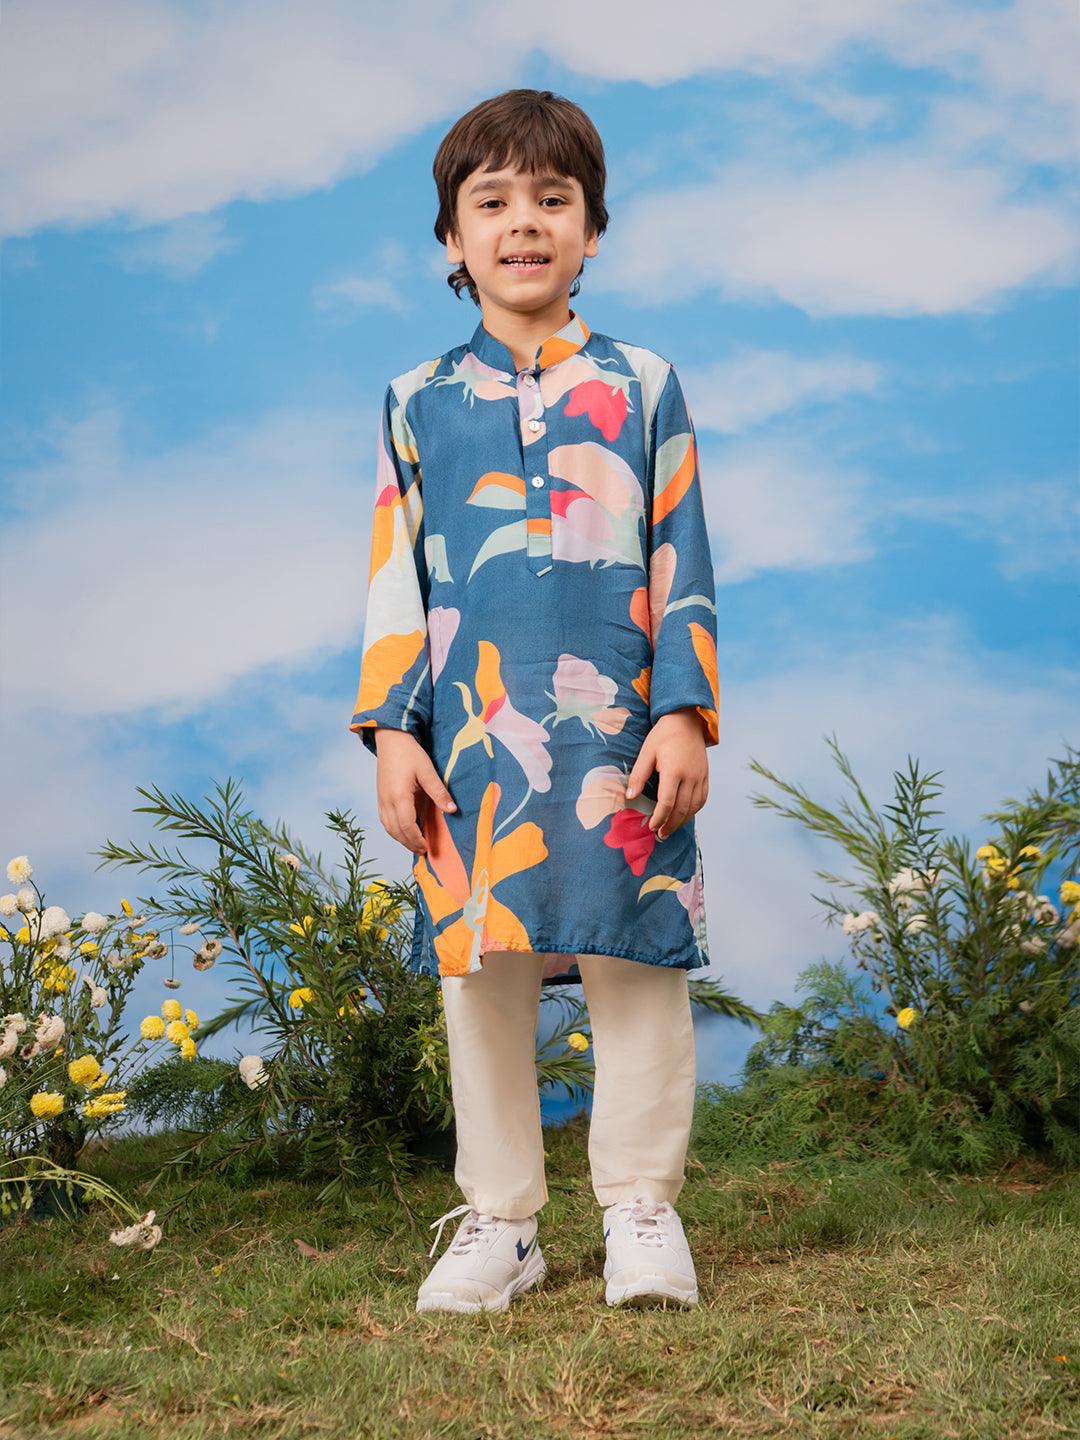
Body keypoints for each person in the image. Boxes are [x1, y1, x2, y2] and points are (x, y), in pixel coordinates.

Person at [350, 89, 718, 1314]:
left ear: (591, 229)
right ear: (452, 239)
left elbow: (681, 551)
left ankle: (641, 1210)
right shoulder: (416, 399)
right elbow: (395, 573)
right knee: (482, 975)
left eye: (553, 200)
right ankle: (504, 1223)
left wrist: (683, 712)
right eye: (493, 202)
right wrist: (393, 734)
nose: (524, 224)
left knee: (637, 961)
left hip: (625, 735)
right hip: (472, 738)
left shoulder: (646, 383)